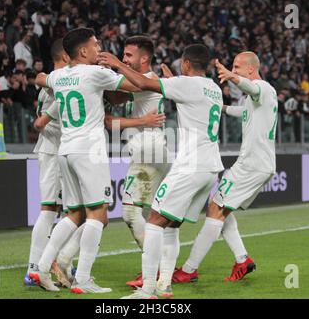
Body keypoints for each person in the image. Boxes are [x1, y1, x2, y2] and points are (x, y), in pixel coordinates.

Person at [98, 43, 225, 299]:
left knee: (154, 221)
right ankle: (164, 284)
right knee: (170, 226)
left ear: (187, 63)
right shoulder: (213, 88)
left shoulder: (185, 84)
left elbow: (145, 85)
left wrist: (117, 64)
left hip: (190, 165)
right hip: (211, 167)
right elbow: (187, 96)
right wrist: (171, 81)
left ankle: (147, 289)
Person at [53, 35, 172, 292]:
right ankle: (63, 261)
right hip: (144, 154)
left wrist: (115, 66)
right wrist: (99, 78)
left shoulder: (149, 81)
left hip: (150, 154)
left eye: (129, 55)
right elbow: (118, 100)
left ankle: (156, 268)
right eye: (124, 54)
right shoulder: (138, 82)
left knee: (127, 212)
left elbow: (111, 119)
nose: (124, 58)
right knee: (106, 215)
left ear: (144, 58)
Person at [31, 27, 139, 293]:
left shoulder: (58, 77)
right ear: (83, 51)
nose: (99, 48)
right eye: (95, 44)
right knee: (97, 214)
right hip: (89, 152)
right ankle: (83, 280)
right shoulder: (95, 73)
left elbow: (42, 78)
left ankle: (41, 269)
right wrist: (117, 65)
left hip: (65, 151)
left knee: (73, 213)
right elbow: (134, 86)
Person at [172, 52, 278, 283]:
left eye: (237, 66)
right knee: (222, 208)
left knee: (215, 209)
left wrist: (232, 78)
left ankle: (189, 270)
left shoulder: (263, 88)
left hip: (251, 164)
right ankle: (242, 260)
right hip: (257, 163)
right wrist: (220, 107)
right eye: (233, 67)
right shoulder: (258, 99)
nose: (234, 69)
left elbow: (253, 89)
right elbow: (245, 112)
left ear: (251, 69)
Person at [23, 39, 69, 287]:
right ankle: (33, 269)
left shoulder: (52, 79)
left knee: (67, 211)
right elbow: (42, 120)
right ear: (65, 55)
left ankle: (61, 264)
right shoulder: (58, 81)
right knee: (50, 210)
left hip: (61, 150)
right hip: (53, 150)